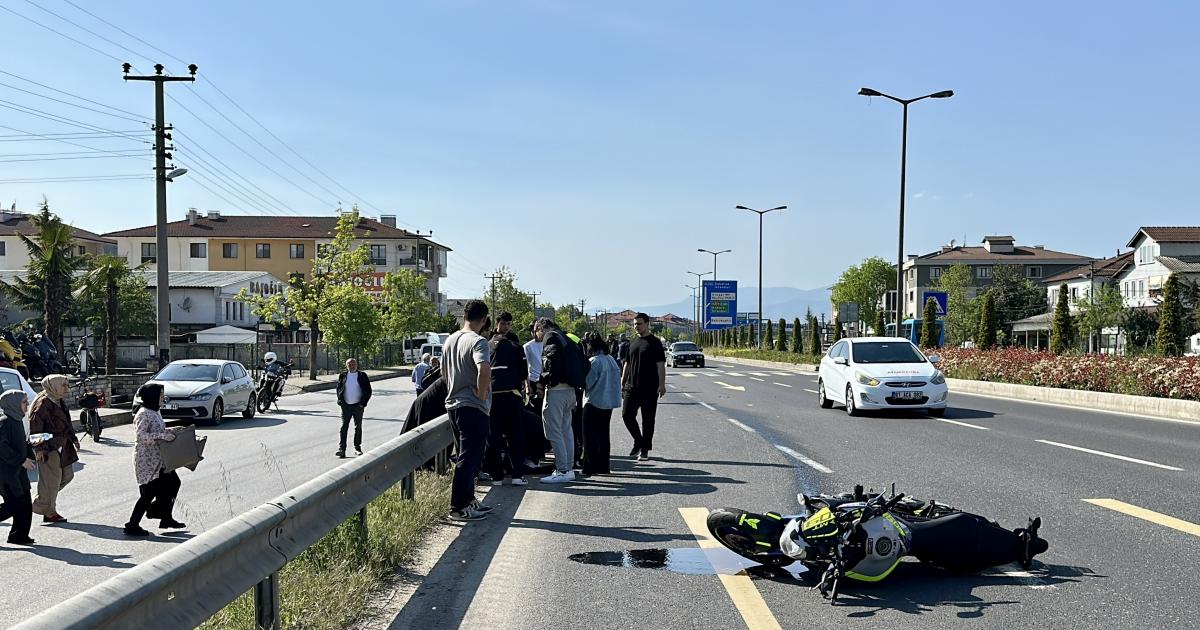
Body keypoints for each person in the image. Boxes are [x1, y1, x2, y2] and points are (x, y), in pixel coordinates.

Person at [443, 300, 494, 521]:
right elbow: (484, 369)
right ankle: (458, 507)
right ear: (483, 320)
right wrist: (481, 394)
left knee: (466, 456)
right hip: (473, 407)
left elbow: (444, 374)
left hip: (453, 406)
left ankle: (469, 499)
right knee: (470, 459)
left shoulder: (450, 340)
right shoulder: (478, 341)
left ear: (464, 316)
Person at [124, 383, 186, 536]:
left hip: (160, 458)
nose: (163, 398)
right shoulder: (143, 414)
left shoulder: (155, 411)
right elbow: (141, 436)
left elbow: (159, 430)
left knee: (173, 482)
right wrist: (163, 436)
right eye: (161, 395)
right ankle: (133, 524)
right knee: (149, 493)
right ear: (153, 397)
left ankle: (165, 517)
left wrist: (172, 431)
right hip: (147, 460)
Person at [539, 319, 589, 483]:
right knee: (566, 429)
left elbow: (552, 361)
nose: (537, 335)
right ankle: (568, 468)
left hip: (557, 390)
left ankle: (562, 470)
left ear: (542, 328)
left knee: (553, 431)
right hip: (571, 390)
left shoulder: (550, 337)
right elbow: (585, 363)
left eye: (537, 331)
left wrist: (546, 380)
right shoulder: (567, 338)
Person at [483, 313, 528, 486]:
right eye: (503, 323)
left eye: (508, 324)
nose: (506, 326)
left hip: (492, 397)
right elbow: (523, 374)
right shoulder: (516, 347)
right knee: (515, 436)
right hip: (511, 396)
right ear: (497, 323)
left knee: (493, 437)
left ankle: (496, 476)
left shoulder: (486, 346)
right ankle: (517, 475)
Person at [29, 374, 76, 523]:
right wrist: (39, 449)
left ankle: (41, 503)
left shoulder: (58, 400)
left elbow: (67, 422)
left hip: (63, 445)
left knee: (67, 476)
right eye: (63, 385)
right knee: (52, 481)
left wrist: (74, 439)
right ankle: (49, 511)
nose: (67, 389)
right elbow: (35, 429)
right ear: (53, 386)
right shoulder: (42, 403)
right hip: (49, 447)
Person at [621, 313, 667, 461]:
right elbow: (627, 363)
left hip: (649, 388)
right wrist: (622, 381)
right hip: (632, 387)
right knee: (626, 415)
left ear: (647, 324)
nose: (636, 326)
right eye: (635, 324)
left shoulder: (655, 343)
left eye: (639, 324)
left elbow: (660, 365)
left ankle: (644, 449)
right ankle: (639, 441)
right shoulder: (633, 342)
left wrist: (662, 384)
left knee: (648, 421)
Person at [581, 337, 621, 476]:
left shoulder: (595, 361)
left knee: (589, 437)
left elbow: (588, 383)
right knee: (603, 435)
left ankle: (589, 467)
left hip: (593, 401)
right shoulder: (611, 360)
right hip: (608, 402)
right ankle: (603, 466)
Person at [0, 390, 35, 545]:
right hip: (6, 473)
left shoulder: (18, 419)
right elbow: (2, 447)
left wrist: (30, 453)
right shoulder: (5, 422)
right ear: (13, 404)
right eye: (24, 402)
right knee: (14, 504)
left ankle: (19, 536)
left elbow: (21, 442)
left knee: (25, 504)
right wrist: (21, 460)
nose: (27, 404)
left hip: (18, 471)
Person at [336, 358, 373, 458]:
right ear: (346, 366)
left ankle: (357, 448)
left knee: (358, 427)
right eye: (349, 364)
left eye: (353, 364)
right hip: (346, 406)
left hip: (358, 406)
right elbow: (339, 388)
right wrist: (340, 400)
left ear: (356, 365)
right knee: (344, 427)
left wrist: (363, 403)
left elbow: (368, 390)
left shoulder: (362, 375)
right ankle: (342, 449)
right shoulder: (343, 375)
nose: (352, 366)